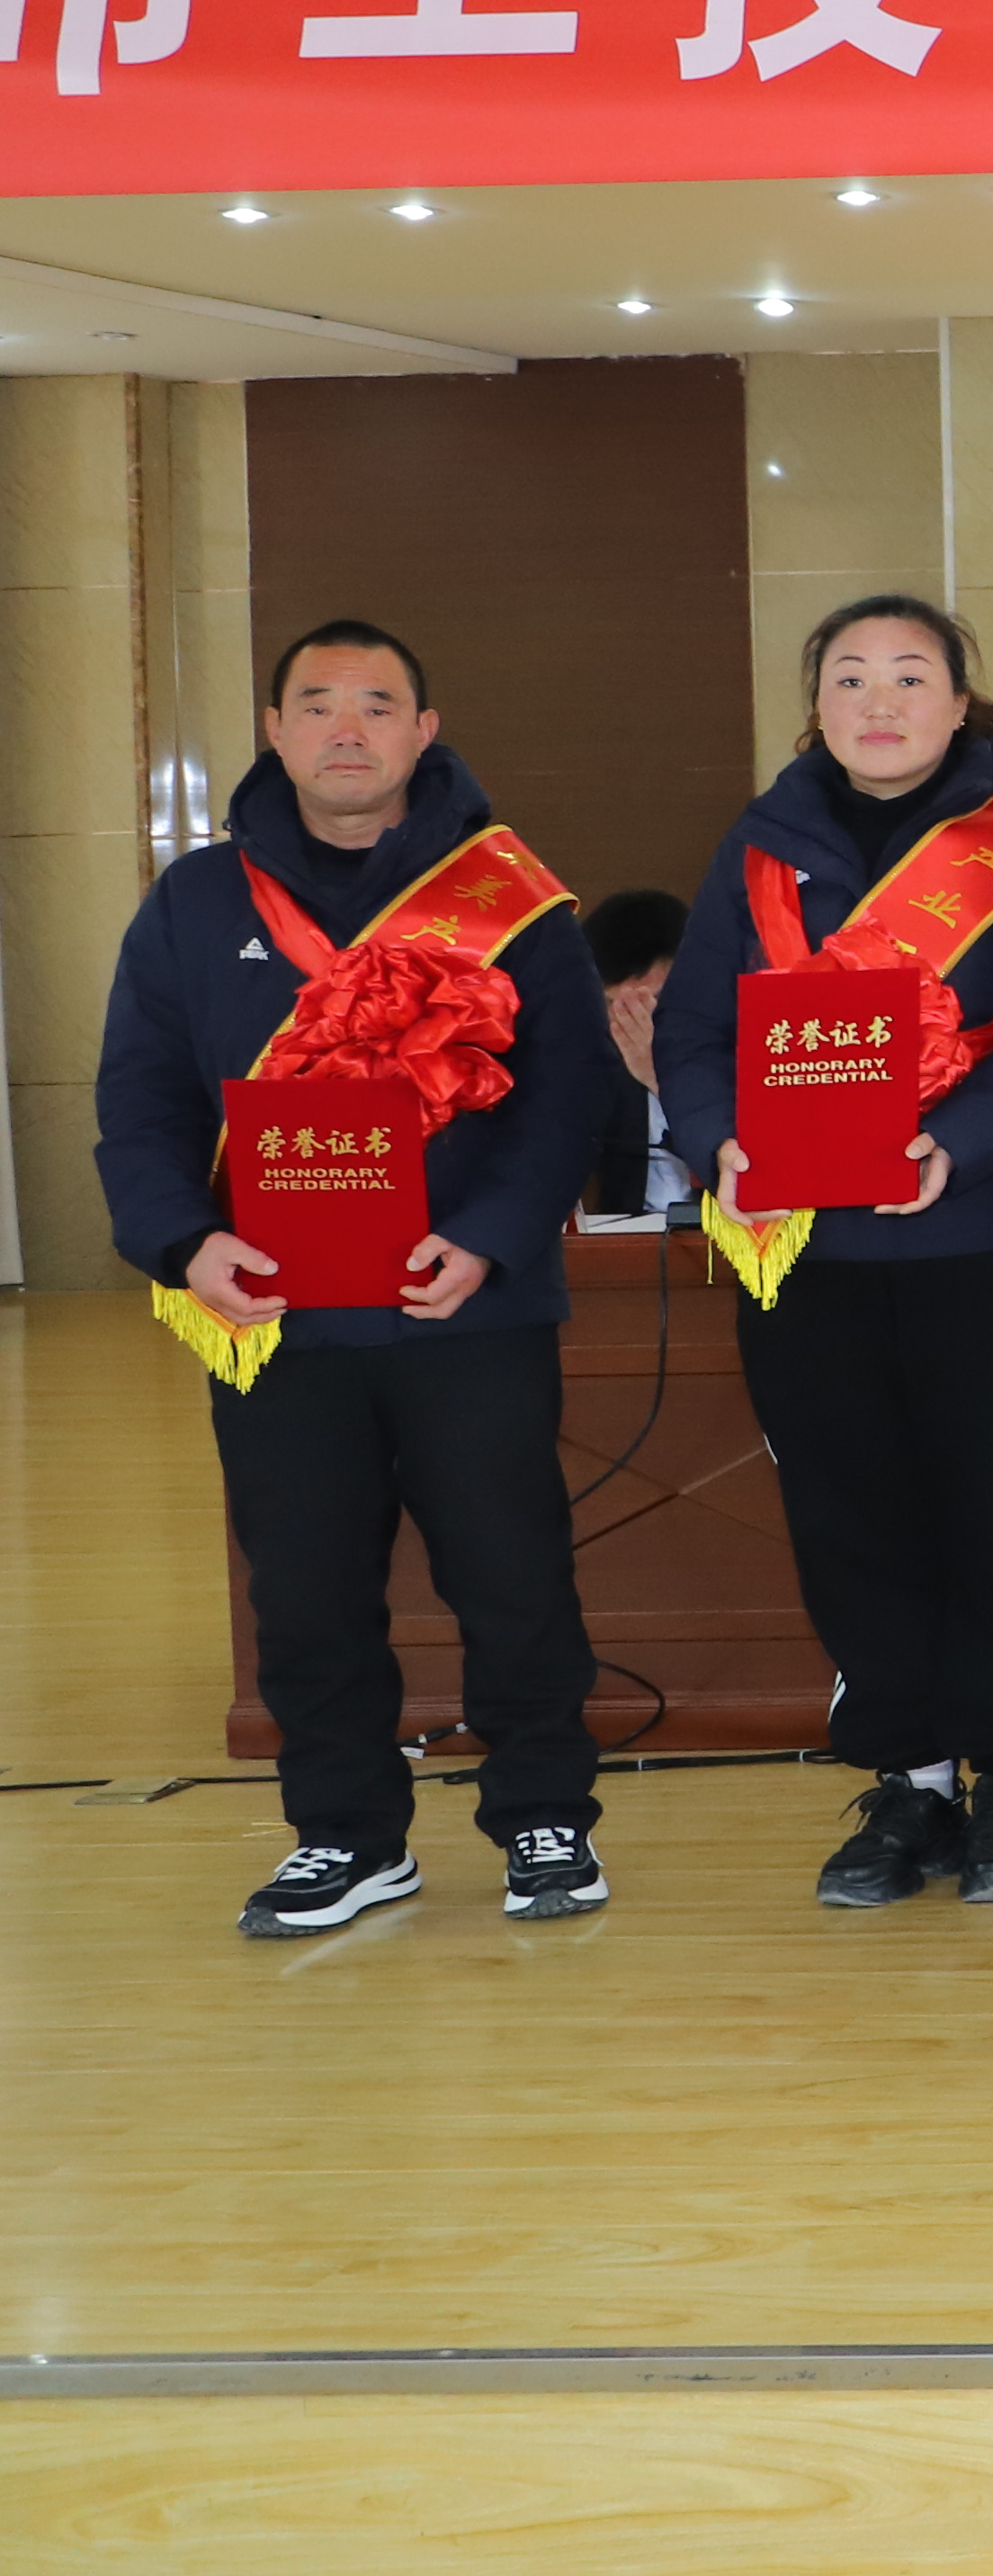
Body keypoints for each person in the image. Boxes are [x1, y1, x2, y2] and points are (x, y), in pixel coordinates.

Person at [96, 621, 622, 1934]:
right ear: (274, 730)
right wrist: (185, 1244)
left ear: (423, 732)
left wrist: (490, 1235)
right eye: (318, 703)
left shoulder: (512, 898)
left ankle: (545, 1816)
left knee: (512, 1573)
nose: (348, 728)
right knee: (305, 1588)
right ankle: (344, 1833)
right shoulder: (195, 903)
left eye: (378, 704)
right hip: (273, 1310)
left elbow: (571, 1093)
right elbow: (141, 1099)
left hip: (468, 1302)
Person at [663, 597, 993, 1907]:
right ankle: (909, 1779)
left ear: (962, 703)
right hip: (810, 1252)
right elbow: (694, 1030)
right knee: (850, 1513)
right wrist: (719, 1139)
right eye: (850, 677)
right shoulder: (759, 848)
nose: (880, 700)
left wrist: (955, 1145)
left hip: (992, 1233)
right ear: (816, 708)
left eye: (911, 675)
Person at [585, 887, 692, 1218]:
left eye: (651, 1002)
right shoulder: (589, 1062)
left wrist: (663, 1078)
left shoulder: (743, 1053)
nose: (635, 1022)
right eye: (616, 1006)